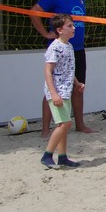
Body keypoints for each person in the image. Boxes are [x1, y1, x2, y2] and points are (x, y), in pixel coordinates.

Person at [30, 0, 95, 136]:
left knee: (79, 87)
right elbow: (34, 12)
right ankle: (45, 129)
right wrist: (46, 34)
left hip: (77, 49)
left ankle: (80, 125)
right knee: (53, 88)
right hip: (60, 50)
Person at [40, 14, 85, 169]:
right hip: (57, 92)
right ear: (59, 30)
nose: (74, 28)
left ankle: (62, 157)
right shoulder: (55, 47)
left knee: (63, 125)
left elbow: (68, 70)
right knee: (65, 124)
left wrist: (77, 83)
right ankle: (47, 155)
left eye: (73, 25)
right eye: (70, 26)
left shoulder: (69, 46)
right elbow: (48, 71)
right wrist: (53, 93)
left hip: (66, 91)